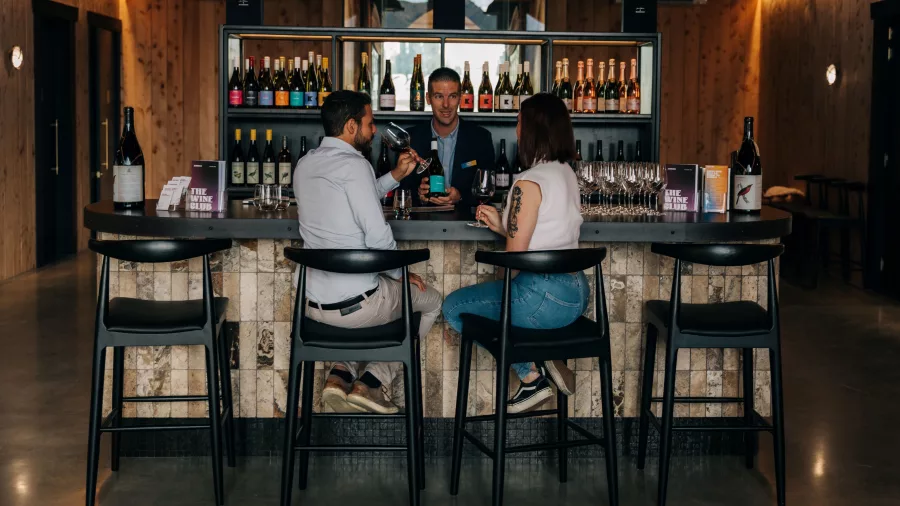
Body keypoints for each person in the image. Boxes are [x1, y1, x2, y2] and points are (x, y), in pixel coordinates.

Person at [292, 90, 443, 415]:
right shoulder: (355, 164)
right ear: (351, 126)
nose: (374, 130)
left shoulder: (305, 164)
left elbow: (350, 195)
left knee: (369, 298)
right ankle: (374, 381)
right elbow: (378, 236)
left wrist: (396, 176)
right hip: (357, 308)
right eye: (370, 123)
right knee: (431, 300)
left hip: (310, 307)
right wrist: (400, 274)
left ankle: (341, 372)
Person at [442, 93, 587, 414]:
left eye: (520, 122)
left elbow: (513, 261)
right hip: (576, 296)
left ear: (532, 128)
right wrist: (502, 227)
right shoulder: (566, 173)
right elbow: (546, 234)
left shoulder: (528, 182)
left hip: (543, 301)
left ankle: (531, 376)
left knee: (453, 308)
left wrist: (503, 278)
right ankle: (544, 357)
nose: (516, 129)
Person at [398, 67, 496, 210]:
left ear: (460, 98)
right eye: (439, 96)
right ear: (428, 98)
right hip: (421, 221)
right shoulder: (411, 138)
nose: (446, 105)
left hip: (465, 221)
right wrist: (419, 195)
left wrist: (461, 196)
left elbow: (489, 189)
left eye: (452, 96)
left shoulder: (481, 138)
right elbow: (399, 188)